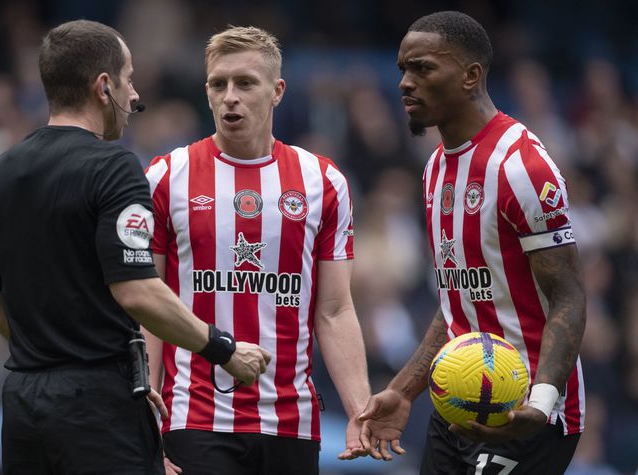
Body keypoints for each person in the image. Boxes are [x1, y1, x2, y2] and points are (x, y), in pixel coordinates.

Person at [0, 20, 270, 475]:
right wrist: (224, 349)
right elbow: (137, 292)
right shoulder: (114, 167)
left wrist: (51, 353)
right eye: (129, 80)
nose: (135, 97)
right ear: (104, 86)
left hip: (22, 404)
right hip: (95, 410)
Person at [358, 11, 586, 475]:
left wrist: (540, 405)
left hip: (525, 409)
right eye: (402, 68)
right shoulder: (435, 169)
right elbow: (458, 300)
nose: (405, 82)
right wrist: (404, 390)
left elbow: (568, 294)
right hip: (456, 403)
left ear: (470, 76)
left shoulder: (521, 167)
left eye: (422, 68)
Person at [144, 26, 371, 475]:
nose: (230, 96)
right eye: (218, 83)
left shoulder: (322, 181)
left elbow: (335, 309)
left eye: (245, 83)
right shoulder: (167, 177)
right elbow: (147, 310)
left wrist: (360, 411)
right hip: (193, 418)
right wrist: (144, 425)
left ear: (277, 91)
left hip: (291, 422)